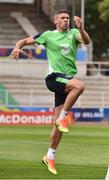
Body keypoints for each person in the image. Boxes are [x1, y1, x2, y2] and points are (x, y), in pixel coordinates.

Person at [10, 9, 90, 175]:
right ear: (56, 21)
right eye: (62, 18)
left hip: (66, 81)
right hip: (54, 78)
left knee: (58, 127)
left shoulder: (74, 33)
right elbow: (24, 41)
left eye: (67, 18)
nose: (66, 20)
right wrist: (17, 47)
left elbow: (86, 41)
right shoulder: (47, 35)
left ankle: (49, 156)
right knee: (80, 86)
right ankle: (63, 119)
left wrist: (81, 28)